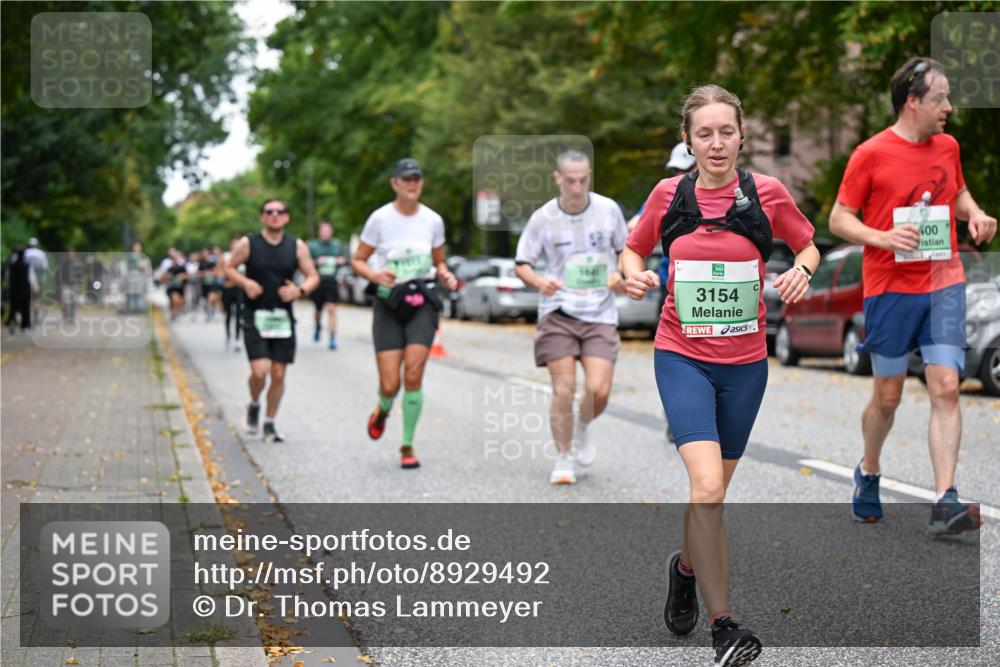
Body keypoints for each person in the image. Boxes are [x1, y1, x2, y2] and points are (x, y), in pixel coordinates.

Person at [622, 84, 818, 666]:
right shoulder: (668, 195)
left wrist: (801, 272)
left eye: (725, 132)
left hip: (746, 365)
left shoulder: (768, 193)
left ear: (741, 135)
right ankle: (724, 626)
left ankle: (684, 570)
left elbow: (808, 246)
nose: (715, 143)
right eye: (703, 133)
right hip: (681, 355)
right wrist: (633, 276)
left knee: (713, 493)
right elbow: (631, 251)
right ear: (687, 140)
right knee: (706, 488)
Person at [829, 57, 995, 534]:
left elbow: (957, 193)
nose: (949, 106)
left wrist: (975, 213)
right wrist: (881, 238)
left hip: (943, 280)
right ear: (913, 100)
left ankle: (946, 500)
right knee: (888, 395)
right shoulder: (870, 153)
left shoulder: (948, 146)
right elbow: (840, 218)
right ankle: (869, 470)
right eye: (941, 97)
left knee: (945, 385)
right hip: (889, 288)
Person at [514, 149, 628, 485]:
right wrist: (538, 281)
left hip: (600, 312)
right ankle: (563, 457)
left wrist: (619, 273)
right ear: (558, 179)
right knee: (564, 389)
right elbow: (522, 262)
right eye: (571, 180)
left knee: (599, 390)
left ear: (589, 176)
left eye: (583, 179)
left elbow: (627, 250)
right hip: (559, 312)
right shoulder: (543, 218)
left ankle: (583, 425)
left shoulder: (608, 210)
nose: (577, 187)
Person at [351, 158, 457, 469]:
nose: (412, 184)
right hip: (389, 302)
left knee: (413, 374)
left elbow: (439, 262)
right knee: (389, 384)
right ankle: (383, 408)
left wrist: (445, 275)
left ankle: (407, 445)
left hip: (422, 302)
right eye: (406, 179)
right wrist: (374, 275)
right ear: (395, 183)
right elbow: (358, 260)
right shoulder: (380, 219)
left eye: (417, 179)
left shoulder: (433, 221)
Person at [226, 199, 319, 443]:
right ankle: (255, 402)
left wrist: (299, 291)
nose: (275, 215)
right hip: (255, 315)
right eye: (269, 212)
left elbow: (313, 276)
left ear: (287, 217)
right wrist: (245, 282)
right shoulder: (249, 244)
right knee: (260, 372)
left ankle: (269, 423)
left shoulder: (296, 246)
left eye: (280, 212)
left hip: (282, 318)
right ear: (262, 217)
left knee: (278, 374)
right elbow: (229, 268)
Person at [309, 219, 345, 349]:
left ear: (331, 231)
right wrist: (317, 262)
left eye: (327, 229)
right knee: (318, 310)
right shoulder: (312, 246)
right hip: (317, 282)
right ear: (319, 231)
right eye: (323, 230)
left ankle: (332, 337)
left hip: (332, 281)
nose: (325, 232)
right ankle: (318, 326)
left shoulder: (337, 245)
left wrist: (339, 261)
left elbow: (343, 259)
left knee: (331, 309)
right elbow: (306, 263)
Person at [218, 237, 246, 352]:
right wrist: (225, 277)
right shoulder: (225, 257)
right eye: (234, 245)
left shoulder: (245, 257)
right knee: (229, 313)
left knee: (239, 314)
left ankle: (238, 338)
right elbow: (218, 272)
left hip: (239, 289)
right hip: (227, 289)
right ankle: (228, 335)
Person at [4, 246, 33, 332]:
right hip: (25, 290)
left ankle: (12, 321)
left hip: (14, 290)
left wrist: (7, 286)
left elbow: (7, 277)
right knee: (25, 308)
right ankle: (24, 326)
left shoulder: (11, 265)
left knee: (13, 307)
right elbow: (31, 277)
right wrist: (35, 287)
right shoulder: (27, 265)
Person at [24, 237, 48, 324]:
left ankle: (28, 316)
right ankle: (35, 315)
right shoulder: (41, 254)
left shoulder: (25, 253)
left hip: (26, 278)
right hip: (38, 278)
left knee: (27, 298)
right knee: (36, 298)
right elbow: (45, 267)